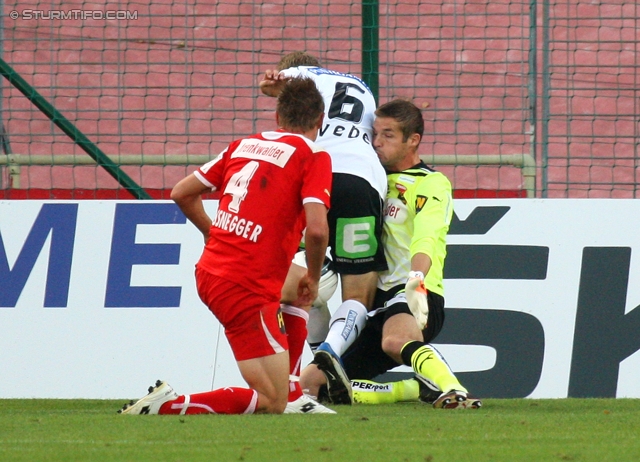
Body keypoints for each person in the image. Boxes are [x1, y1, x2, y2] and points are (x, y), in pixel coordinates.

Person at [118, 77, 335, 415]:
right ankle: (169, 406)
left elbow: (181, 193)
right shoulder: (313, 155)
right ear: (320, 119)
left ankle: (295, 394)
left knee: (299, 292)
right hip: (245, 286)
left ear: (278, 116)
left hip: (212, 271)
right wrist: (313, 272)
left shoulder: (243, 144)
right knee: (270, 401)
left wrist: (211, 232)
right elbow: (318, 231)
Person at [300, 99, 482, 409]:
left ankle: (454, 389)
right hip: (372, 304)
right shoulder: (372, 180)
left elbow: (426, 238)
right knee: (316, 385)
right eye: (374, 134)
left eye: (388, 135)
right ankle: (413, 388)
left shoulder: (430, 183)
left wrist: (416, 279)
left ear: (413, 140)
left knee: (394, 340)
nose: (377, 143)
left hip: (412, 293)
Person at [260, 52, 388, 404]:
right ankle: (331, 350)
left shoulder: (301, 75)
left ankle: (307, 358)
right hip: (364, 181)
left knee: (303, 282)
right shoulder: (362, 87)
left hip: (317, 178)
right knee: (358, 293)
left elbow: (272, 82)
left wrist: (272, 82)